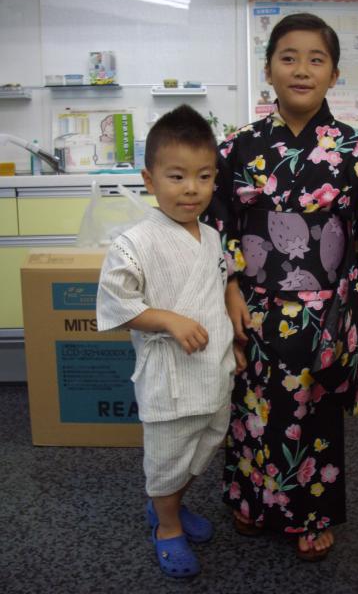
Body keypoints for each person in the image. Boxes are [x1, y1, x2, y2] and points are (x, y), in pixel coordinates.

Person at [203, 13, 358, 561]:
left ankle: (311, 514)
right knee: (251, 403)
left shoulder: (351, 147)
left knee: (312, 407)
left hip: (325, 308)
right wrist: (229, 287)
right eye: (288, 58)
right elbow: (216, 220)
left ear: (333, 75)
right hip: (254, 301)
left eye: (316, 60)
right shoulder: (238, 147)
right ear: (268, 71)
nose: (301, 70)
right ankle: (251, 499)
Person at [96, 105, 245, 578]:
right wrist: (166, 319)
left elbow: (215, 296)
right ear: (150, 179)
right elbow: (116, 305)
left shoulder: (213, 238)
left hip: (212, 370)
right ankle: (167, 526)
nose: (191, 189)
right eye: (177, 176)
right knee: (166, 460)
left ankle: (171, 504)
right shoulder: (134, 242)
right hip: (170, 378)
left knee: (204, 447)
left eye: (204, 176)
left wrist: (231, 344)